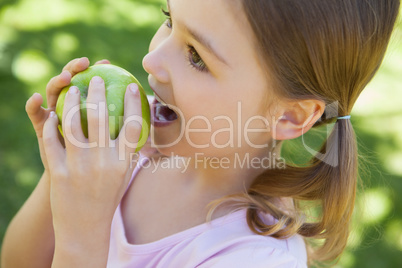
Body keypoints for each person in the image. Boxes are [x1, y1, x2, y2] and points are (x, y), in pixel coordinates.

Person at [1, 0, 400, 267]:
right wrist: (62, 173)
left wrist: (80, 238)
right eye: (169, 19)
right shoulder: (128, 153)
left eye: (196, 56)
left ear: (291, 117)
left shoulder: (251, 257)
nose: (151, 59)